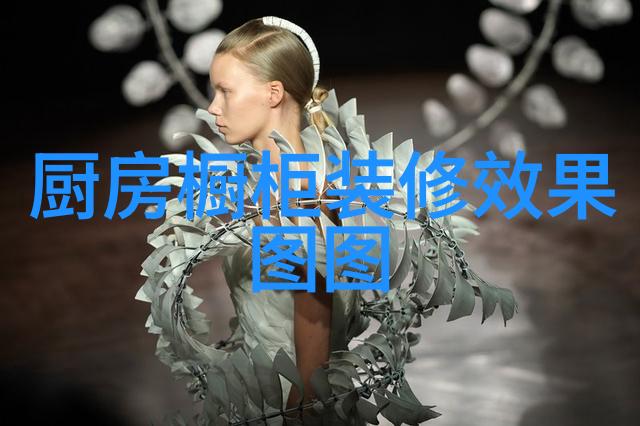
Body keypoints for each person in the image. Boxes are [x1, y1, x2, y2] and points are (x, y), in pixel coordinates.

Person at [206, 16, 360, 424]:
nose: (213, 108)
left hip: (290, 402)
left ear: (273, 93)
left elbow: (315, 323)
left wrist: (300, 411)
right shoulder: (272, 181)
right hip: (261, 390)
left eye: (225, 91)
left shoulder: (300, 193)